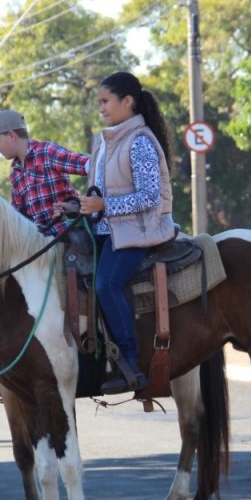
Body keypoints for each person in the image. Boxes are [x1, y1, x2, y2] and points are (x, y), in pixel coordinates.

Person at [77, 71, 176, 394]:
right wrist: (79, 206)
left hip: (139, 231)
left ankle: (129, 362)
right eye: (100, 103)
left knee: (107, 284)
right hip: (106, 230)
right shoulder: (103, 142)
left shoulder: (140, 141)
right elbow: (100, 192)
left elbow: (150, 197)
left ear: (128, 102)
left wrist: (103, 205)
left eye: (106, 101)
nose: (101, 108)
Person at [0, 108, 89, 236]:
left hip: (67, 233)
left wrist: (79, 205)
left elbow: (89, 164)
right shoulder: (15, 175)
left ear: (12, 136)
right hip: (38, 241)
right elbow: (17, 217)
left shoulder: (47, 152)